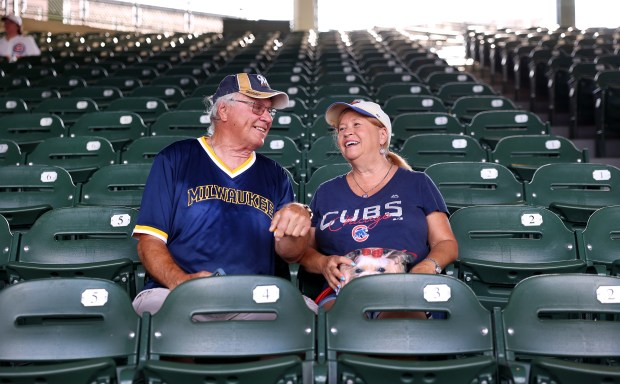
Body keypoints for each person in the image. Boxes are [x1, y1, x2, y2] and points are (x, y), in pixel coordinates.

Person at [132, 73, 313, 318]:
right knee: (164, 313)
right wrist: (181, 283)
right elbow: (149, 241)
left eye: (270, 111)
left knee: (304, 314)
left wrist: (298, 219)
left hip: (256, 298)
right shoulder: (176, 158)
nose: (267, 118)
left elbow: (289, 254)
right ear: (224, 110)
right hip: (177, 291)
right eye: (257, 107)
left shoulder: (276, 175)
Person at [297, 100, 458, 315]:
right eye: (341, 129)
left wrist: (429, 266)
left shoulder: (417, 183)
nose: (346, 133)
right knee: (344, 317)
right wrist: (322, 262)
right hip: (343, 291)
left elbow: (446, 242)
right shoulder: (326, 192)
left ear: (382, 135)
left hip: (408, 289)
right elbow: (304, 251)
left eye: (356, 125)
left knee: (397, 314)